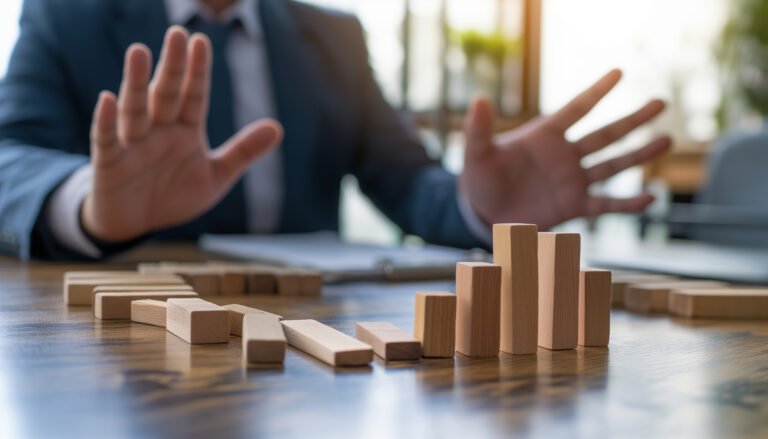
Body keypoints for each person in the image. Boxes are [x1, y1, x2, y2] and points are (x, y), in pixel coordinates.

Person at [0, 0, 670, 260]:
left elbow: (404, 180)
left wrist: (478, 206)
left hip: (308, 353)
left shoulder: (335, 36)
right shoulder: (66, 16)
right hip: (114, 343)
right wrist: (86, 201)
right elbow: (7, 155)